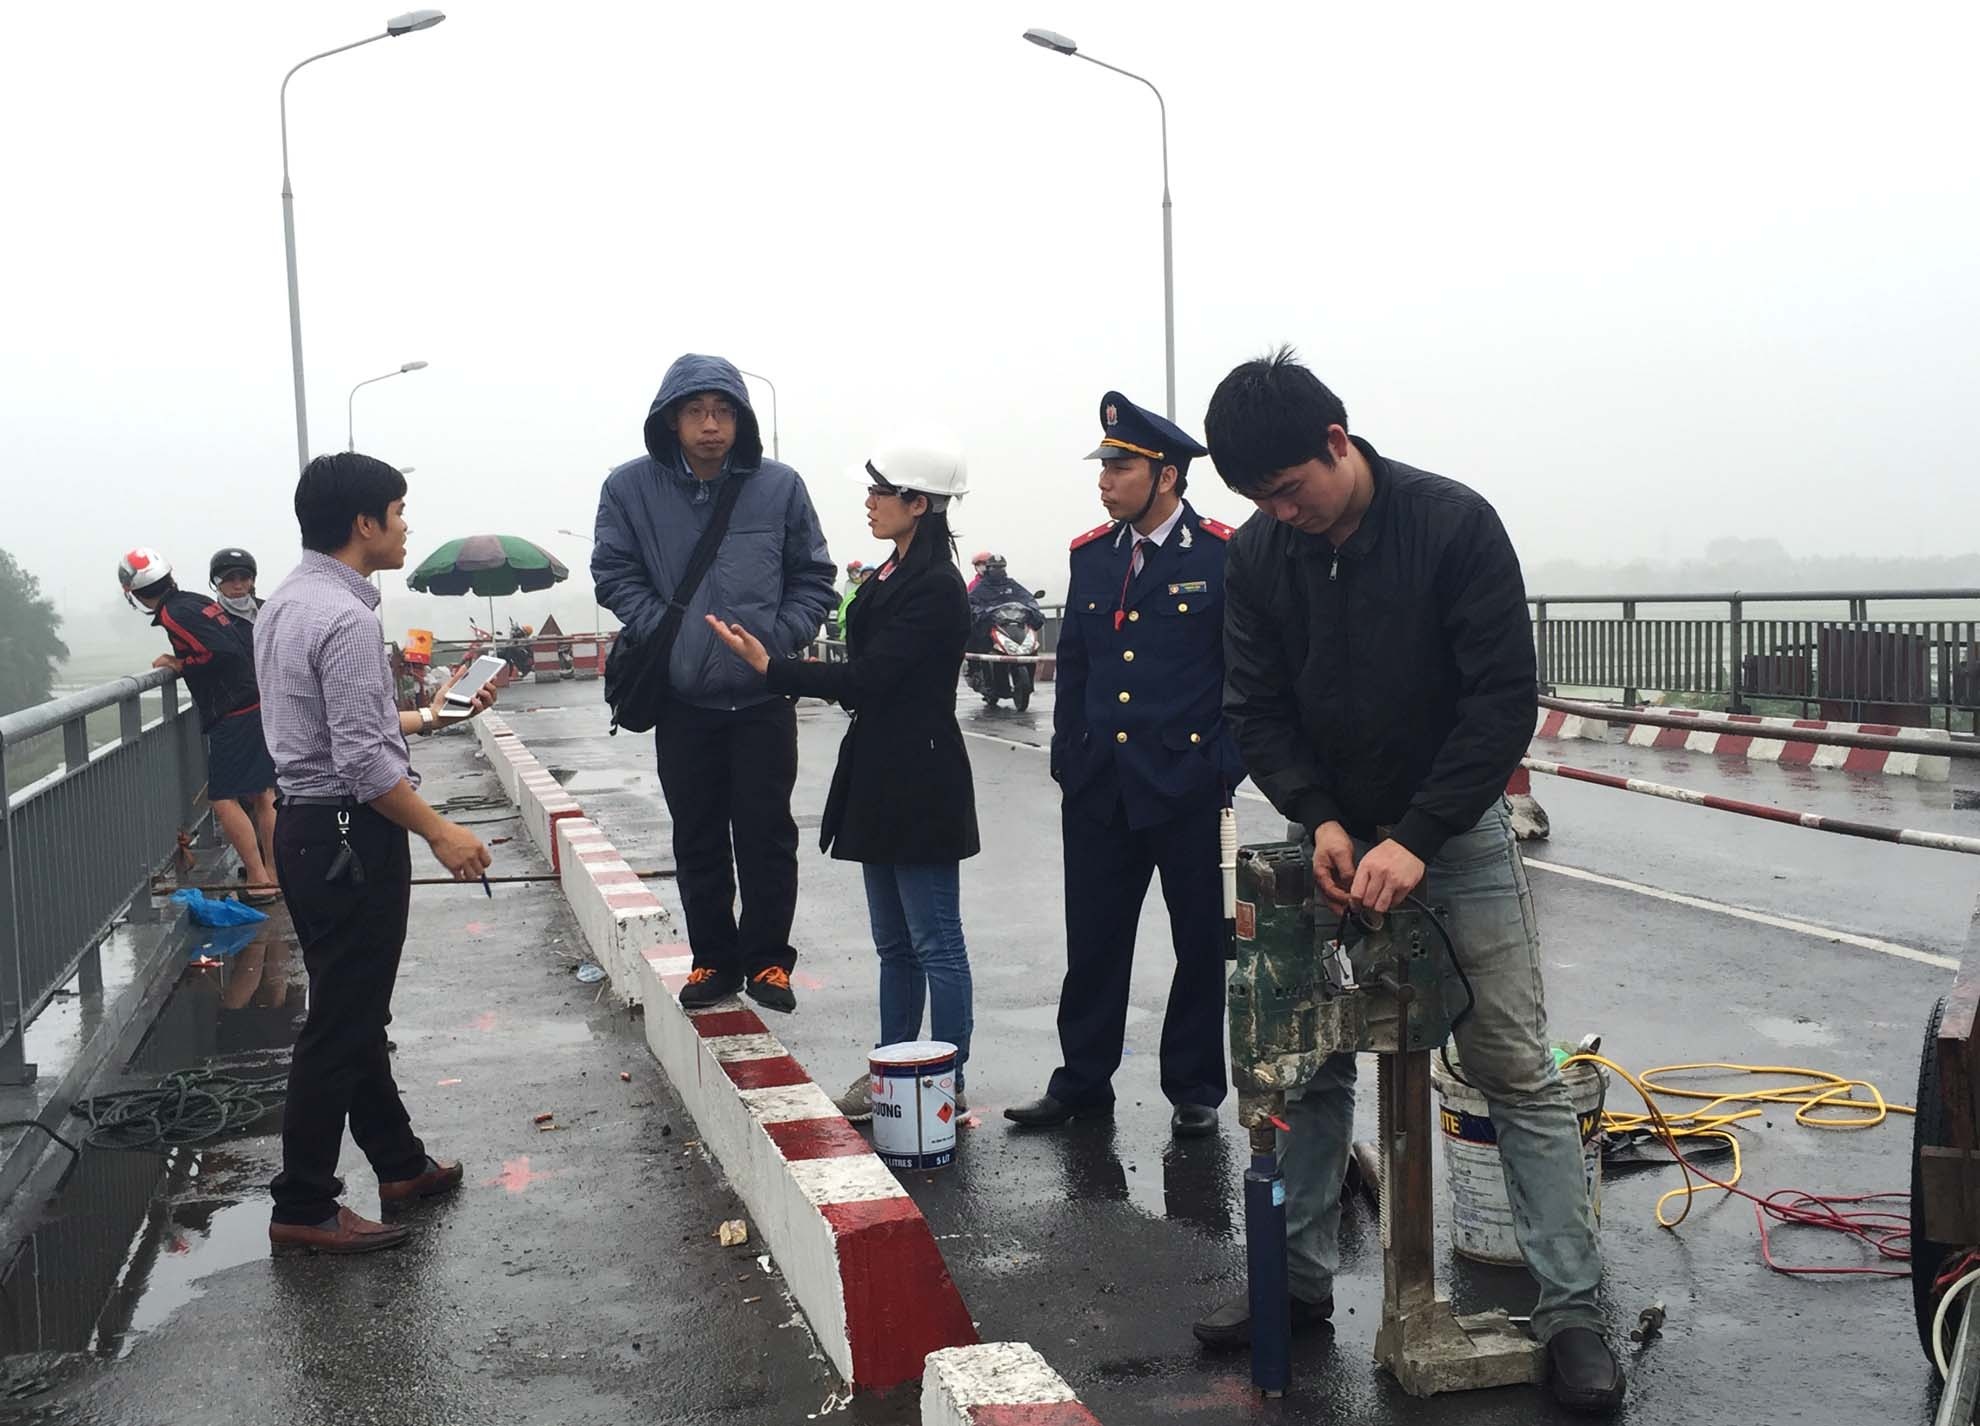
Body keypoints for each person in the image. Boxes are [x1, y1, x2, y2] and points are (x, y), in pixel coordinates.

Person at [1195, 350, 1622, 1415]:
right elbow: (1255, 707)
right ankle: (1291, 1286)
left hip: (1457, 837)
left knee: (1512, 1065)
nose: (1280, 514)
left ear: (1338, 441)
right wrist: (1325, 817)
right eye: (1258, 500)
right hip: (1327, 836)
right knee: (1312, 1063)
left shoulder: (1452, 526)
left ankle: (1571, 1311)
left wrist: (1421, 833)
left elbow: (1499, 702)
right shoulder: (1260, 558)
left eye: (1290, 489)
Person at [253, 452, 498, 1256]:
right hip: (351, 838)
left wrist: (426, 718)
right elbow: (362, 765)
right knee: (342, 1021)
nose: (404, 525)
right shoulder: (349, 618)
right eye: (398, 511)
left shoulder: (286, 601)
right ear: (364, 523)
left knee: (354, 1011)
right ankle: (305, 1203)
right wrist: (441, 831)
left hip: (307, 829)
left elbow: (334, 729)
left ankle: (399, 1164)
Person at [706, 432, 978, 1120]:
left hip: (919, 772)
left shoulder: (937, 586)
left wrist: (774, 668)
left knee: (934, 939)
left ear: (918, 503)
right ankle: (893, 1067)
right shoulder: (888, 574)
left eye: (881, 492)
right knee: (894, 944)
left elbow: (870, 677)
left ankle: (944, 1072)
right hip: (879, 769)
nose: (870, 502)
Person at [1005, 391, 1242, 1141]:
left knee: (1200, 940)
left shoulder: (1219, 554)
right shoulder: (1090, 555)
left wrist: (1222, 769)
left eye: (1119, 465)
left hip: (1187, 785)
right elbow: (1074, 666)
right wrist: (1067, 756)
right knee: (1095, 940)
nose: (1104, 479)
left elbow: (1244, 674)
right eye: (1103, 465)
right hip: (1101, 786)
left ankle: (1196, 1085)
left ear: (1165, 476)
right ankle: (1082, 1080)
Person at [592, 353, 836, 1014]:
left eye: (723, 411)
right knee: (696, 833)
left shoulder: (779, 486)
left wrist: (779, 641)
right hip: (684, 699)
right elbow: (614, 572)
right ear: (671, 419)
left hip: (761, 699)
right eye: (697, 411)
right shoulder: (628, 490)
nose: (710, 425)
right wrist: (662, 629)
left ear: (740, 419)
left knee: (766, 832)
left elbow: (814, 576)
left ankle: (768, 961)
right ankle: (711, 960)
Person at [119, 548, 279, 904]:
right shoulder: (192, 601)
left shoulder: (176, 614)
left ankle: (259, 879)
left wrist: (181, 664)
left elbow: (219, 651)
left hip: (233, 711)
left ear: (134, 592)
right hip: (254, 702)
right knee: (263, 793)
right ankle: (275, 874)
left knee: (223, 800)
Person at [210, 548, 264, 623]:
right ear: (217, 582)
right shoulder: (210, 619)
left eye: (244, 579)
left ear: (252, 581)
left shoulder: (270, 610)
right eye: (229, 579)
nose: (238, 586)